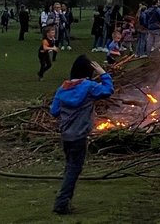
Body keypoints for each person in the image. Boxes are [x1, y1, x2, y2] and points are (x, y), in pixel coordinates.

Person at [49, 55, 114, 215]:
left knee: (70, 167)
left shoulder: (63, 87)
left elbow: (54, 111)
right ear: (89, 72)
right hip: (79, 136)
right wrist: (103, 73)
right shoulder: (89, 87)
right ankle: (61, 203)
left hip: (66, 136)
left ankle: (65, 201)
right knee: (73, 169)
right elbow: (108, 91)